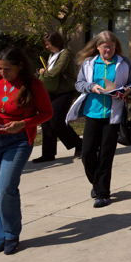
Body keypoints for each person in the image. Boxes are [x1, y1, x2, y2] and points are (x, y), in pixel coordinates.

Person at [0, 47, 53, 255]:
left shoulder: (33, 85)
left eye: (7, 69)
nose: (2, 73)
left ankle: (12, 235)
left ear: (20, 66)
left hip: (17, 142)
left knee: (5, 189)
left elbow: (47, 113)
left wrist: (23, 123)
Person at [66, 31, 131, 208]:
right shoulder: (89, 63)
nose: (109, 50)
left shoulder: (123, 62)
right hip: (93, 113)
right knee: (88, 153)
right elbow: (79, 84)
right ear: (97, 47)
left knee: (106, 155)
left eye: (112, 47)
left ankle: (103, 193)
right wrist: (92, 87)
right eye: (105, 47)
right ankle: (97, 182)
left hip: (113, 116)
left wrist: (127, 90)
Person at [33, 32, 82, 163]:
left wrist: (44, 72)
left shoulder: (65, 53)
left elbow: (57, 70)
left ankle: (79, 143)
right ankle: (48, 153)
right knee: (46, 121)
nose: (47, 47)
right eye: (46, 45)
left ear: (56, 42)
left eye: (49, 44)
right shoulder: (52, 55)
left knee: (56, 120)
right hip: (52, 90)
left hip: (65, 91)